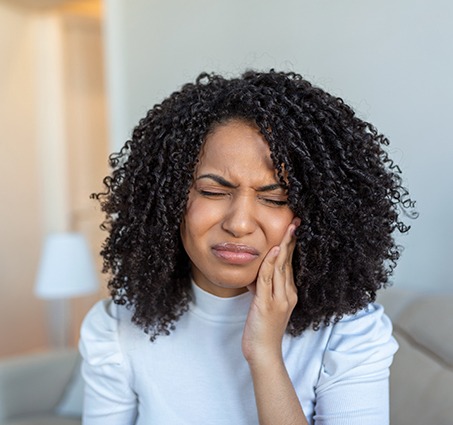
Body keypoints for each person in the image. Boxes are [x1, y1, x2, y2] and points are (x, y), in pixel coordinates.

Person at [79, 70, 415, 425]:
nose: (238, 223)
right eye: (213, 192)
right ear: (169, 199)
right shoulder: (115, 329)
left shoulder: (349, 333)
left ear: (316, 214)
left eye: (274, 198)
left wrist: (265, 355)